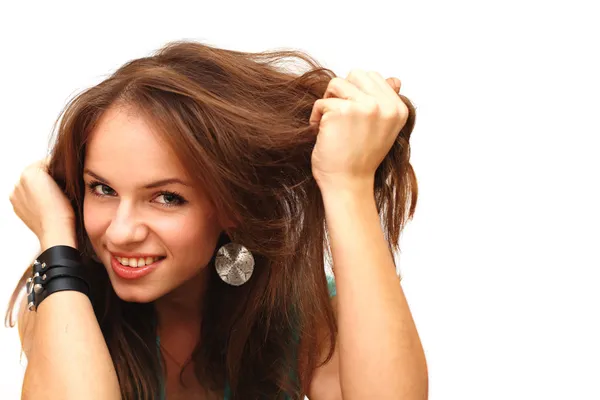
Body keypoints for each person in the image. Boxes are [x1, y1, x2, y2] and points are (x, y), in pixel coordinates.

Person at [5, 40, 428, 399]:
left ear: (232, 206)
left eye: (167, 198)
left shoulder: (297, 313)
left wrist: (347, 181)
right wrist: (55, 235)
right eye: (102, 189)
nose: (119, 232)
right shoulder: (65, 299)